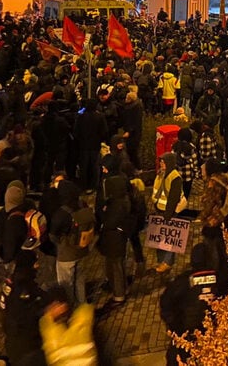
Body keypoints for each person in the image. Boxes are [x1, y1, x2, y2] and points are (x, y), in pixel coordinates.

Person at [159, 241, 221, 366]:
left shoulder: (182, 281)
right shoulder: (222, 279)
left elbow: (166, 304)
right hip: (215, 338)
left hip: (186, 337)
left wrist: (175, 328)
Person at [49, 180, 95, 306]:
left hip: (67, 255)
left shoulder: (61, 213)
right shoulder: (83, 204)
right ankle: (82, 304)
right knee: (80, 280)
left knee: (66, 285)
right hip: (82, 249)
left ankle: (69, 308)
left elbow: (53, 236)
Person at [97, 154, 135, 308]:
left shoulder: (117, 204)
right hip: (115, 233)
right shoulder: (123, 196)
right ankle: (115, 285)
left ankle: (119, 294)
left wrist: (103, 219)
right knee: (114, 262)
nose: (103, 169)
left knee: (116, 263)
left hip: (113, 234)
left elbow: (108, 216)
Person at [1, 250, 48, 366]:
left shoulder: (11, 281)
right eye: (35, 262)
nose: (37, 265)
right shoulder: (24, 286)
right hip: (25, 344)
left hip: (12, 338)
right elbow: (26, 315)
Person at [39, 286, 97, 365]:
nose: (57, 309)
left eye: (59, 304)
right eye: (53, 306)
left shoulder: (83, 320)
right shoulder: (47, 329)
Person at [152, 151, 184, 274]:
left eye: (163, 161)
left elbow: (173, 198)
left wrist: (168, 214)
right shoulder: (161, 174)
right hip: (159, 210)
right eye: (160, 161)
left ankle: (168, 262)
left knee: (170, 239)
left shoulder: (175, 177)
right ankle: (162, 261)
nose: (161, 163)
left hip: (168, 213)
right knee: (160, 238)